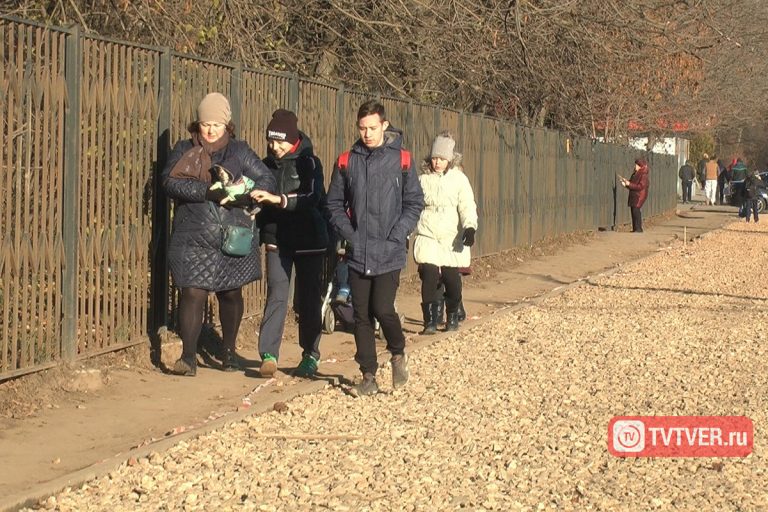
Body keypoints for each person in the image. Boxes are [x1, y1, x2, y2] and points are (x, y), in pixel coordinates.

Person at [162, 92, 276, 376]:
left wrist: (242, 195)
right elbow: (169, 182)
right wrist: (206, 191)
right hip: (193, 234)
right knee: (192, 292)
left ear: (227, 125)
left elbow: (266, 179)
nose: (211, 130)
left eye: (216, 124)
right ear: (197, 123)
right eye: (205, 124)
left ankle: (229, 352)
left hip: (230, 235)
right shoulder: (183, 149)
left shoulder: (239, 151)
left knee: (230, 293)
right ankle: (188, 357)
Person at [326, 100, 424, 396]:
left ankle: (397, 351)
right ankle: (368, 375)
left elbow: (414, 202)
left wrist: (398, 234)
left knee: (382, 308)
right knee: (361, 316)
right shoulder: (347, 160)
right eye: (362, 128)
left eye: (372, 128)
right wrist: (349, 233)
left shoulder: (402, 159)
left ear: (384, 125)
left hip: (389, 250)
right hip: (358, 251)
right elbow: (333, 203)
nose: (367, 134)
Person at [250, 109, 329, 378]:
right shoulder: (264, 164)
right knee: (276, 295)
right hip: (277, 239)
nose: (275, 147)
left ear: (293, 139)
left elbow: (312, 195)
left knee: (307, 299)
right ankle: (269, 355)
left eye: (280, 141)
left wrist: (278, 200)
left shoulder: (310, 163)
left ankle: (310, 354)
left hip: (309, 239)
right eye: (271, 141)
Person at [413, 132, 478, 335]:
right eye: (434, 158)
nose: (437, 162)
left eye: (442, 158)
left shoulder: (459, 179)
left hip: (451, 236)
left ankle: (452, 314)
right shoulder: (423, 179)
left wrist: (469, 227)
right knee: (430, 276)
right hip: (428, 233)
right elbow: (412, 206)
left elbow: (467, 204)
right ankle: (430, 320)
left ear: (449, 159)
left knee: (451, 279)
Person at [619, 158, 650, 233]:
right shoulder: (635, 173)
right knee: (633, 210)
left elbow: (640, 186)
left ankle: (638, 228)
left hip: (639, 195)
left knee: (636, 210)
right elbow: (632, 184)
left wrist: (629, 184)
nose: (635, 166)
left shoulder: (643, 175)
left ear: (640, 166)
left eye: (637, 165)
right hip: (635, 194)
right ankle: (635, 228)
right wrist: (626, 184)